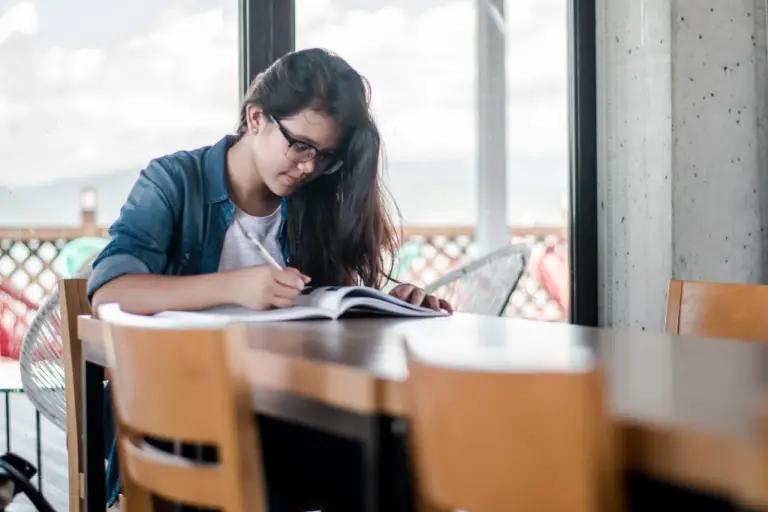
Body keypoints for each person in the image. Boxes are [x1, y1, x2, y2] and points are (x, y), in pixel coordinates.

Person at [88, 48, 452, 510]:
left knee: (398, 450)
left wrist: (388, 306)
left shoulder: (312, 203)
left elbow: (325, 312)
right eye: (300, 145)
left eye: (326, 157)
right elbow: (109, 294)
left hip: (284, 417)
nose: (308, 167)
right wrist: (235, 287)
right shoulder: (174, 181)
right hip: (181, 423)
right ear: (256, 117)